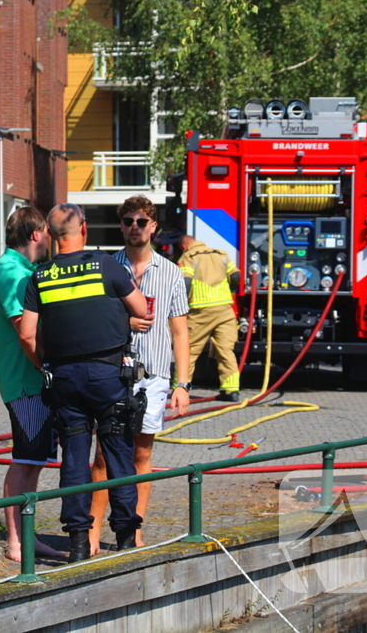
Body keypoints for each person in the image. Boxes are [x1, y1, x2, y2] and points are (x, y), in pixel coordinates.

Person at [19, 203, 148, 563]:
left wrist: (44, 365)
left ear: (49, 234)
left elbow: (27, 334)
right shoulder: (106, 265)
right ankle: (125, 539)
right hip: (108, 376)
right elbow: (141, 310)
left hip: (64, 379)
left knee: (74, 460)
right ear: (85, 229)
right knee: (118, 455)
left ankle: (78, 543)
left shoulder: (40, 276)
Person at [89, 196, 190, 553]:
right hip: (111, 373)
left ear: (153, 227)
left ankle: (134, 530)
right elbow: (92, 318)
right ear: (121, 226)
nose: (135, 227)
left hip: (154, 375)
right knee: (103, 456)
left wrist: (182, 384)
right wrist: (123, 322)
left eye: (142, 221)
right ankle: (92, 532)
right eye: (129, 221)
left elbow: (180, 332)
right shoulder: (104, 267)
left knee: (141, 456)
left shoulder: (172, 272)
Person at [0, 206, 62, 562]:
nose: (50, 239)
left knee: (34, 460)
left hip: (29, 380)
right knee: (25, 459)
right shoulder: (12, 273)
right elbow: (25, 332)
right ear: (35, 234)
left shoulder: (22, 270)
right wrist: (45, 366)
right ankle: (16, 542)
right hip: (25, 382)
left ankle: (25, 537)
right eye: (47, 232)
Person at [178, 235, 241, 402]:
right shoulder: (221, 253)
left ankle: (181, 388)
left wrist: (182, 303)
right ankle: (231, 391)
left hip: (201, 311)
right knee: (226, 351)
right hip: (224, 310)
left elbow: (186, 281)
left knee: (188, 351)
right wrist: (230, 292)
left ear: (184, 247)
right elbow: (236, 276)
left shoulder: (188, 256)